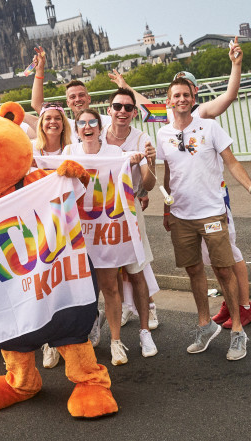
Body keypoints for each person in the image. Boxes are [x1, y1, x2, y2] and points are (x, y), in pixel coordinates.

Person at [157, 76, 251, 361]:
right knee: (194, 271)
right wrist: (166, 208)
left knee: (223, 271)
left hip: (211, 212)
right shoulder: (163, 134)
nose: (181, 99)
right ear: (169, 101)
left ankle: (237, 332)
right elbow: (169, 172)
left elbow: (231, 161)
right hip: (181, 216)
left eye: (186, 95)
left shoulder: (210, 127)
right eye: (176, 96)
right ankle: (205, 325)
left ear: (192, 99)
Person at [60, 108, 156, 366]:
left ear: (100, 127)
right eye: (82, 123)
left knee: (111, 287)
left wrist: (137, 160)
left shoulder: (115, 154)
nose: (87, 127)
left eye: (93, 122)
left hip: (105, 233)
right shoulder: (69, 153)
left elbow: (140, 177)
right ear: (77, 128)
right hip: (77, 234)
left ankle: (115, 341)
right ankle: (71, 341)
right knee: (77, 291)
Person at [102, 88, 158, 364]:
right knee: (106, 274)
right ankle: (103, 329)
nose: (122, 111)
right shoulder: (96, 135)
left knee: (137, 272)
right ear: (109, 110)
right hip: (101, 213)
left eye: (127, 107)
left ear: (134, 112)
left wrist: (149, 162)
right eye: (117, 106)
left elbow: (148, 185)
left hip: (130, 209)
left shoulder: (141, 138)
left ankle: (145, 330)